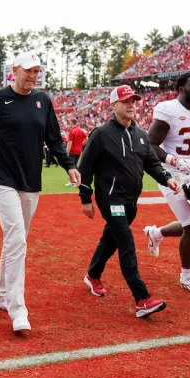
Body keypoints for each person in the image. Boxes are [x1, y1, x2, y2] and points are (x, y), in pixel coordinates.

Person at [0, 51, 80, 334]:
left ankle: (2, 291)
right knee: (17, 237)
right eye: (28, 70)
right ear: (14, 70)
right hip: (2, 179)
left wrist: (68, 166)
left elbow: (53, 138)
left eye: (36, 71)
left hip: (31, 180)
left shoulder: (43, 101)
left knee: (16, 238)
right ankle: (18, 309)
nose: (32, 76)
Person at [79, 86, 179, 318]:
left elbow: (152, 164)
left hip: (131, 201)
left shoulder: (141, 135)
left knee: (111, 239)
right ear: (113, 105)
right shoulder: (102, 133)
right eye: (126, 101)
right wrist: (86, 198)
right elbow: (85, 168)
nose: (132, 104)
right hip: (111, 199)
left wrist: (167, 179)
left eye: (134, 100)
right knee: (125, 242)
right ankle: (142, 298)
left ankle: (92, 275)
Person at [145, 72, 190, 294]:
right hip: (168, 171)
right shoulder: (169, 110)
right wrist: (174, 160)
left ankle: (155, 234)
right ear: (181, 88)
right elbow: (150, 144)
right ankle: (187, 276)